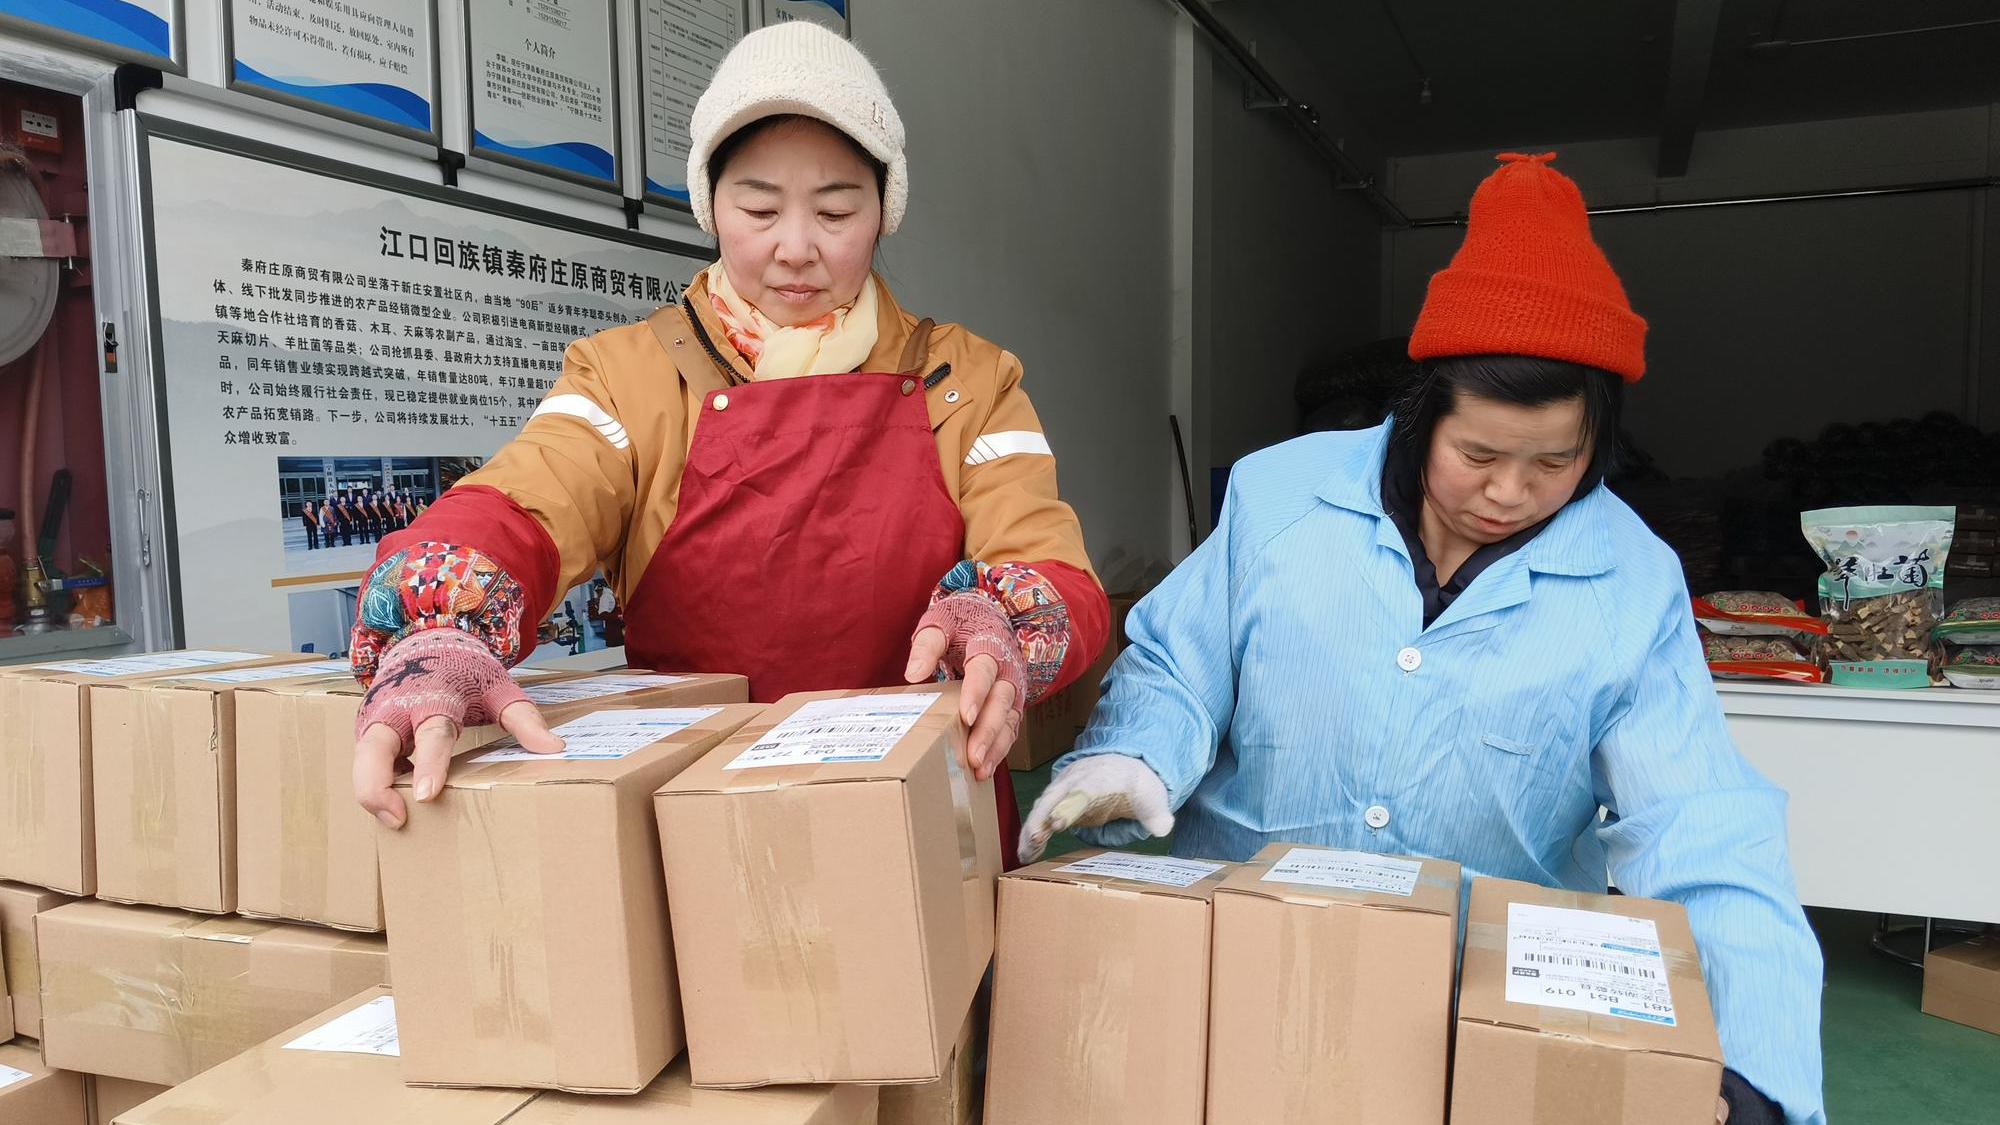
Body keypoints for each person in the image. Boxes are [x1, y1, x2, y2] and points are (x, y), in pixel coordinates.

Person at [1019, 154, 1823, 1125]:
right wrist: (1134, 757)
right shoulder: (1281, 496)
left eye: (1553, 462)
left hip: (1467, 1015)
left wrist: (1752, 1069)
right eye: (1476, 453)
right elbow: (1179, 666)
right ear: (1420, 412)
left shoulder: (1631, 580)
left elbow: (1698, 820)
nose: (1508, 492)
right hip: (1243, 963)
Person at [346, 22, 1109, 858]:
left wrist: (999, 620)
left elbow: (1050, 565)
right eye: (759, 208)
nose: (796, 248)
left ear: (883, 212)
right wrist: (439, 629)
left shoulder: (969, 380)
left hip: (924, 825)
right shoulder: (627, 375)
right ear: (710, 204)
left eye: (836, 210)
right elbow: (523, 500)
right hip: (699, 832)